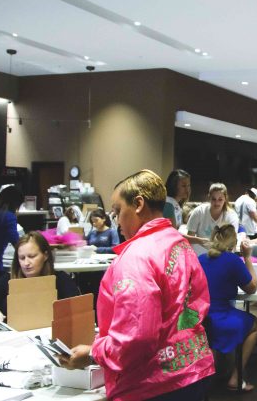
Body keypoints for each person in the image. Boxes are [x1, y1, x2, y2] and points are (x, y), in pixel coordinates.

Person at [58, 169, 214, 401]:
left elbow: (137, 337)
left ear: (138, 204)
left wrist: (93, 352)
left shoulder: (136, 257)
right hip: (193, 366)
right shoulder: (179, 244)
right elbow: (197, 304)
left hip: (153, 383)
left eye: (118, 211)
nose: (117, 221)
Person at [0, 231, 79, 324]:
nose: (26, 263)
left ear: (45, 255)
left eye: (32, 256)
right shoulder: (8, 280)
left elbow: (78, 315)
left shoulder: (61, 281)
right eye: (22, 258)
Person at [198, 225, 257, 392]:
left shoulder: (201, 258)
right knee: (253, 325)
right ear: (233, 243)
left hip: (200, 316)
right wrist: (247, 258)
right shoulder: (232, 260)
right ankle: (236, 377)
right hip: (220, 315)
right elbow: (252, 287)